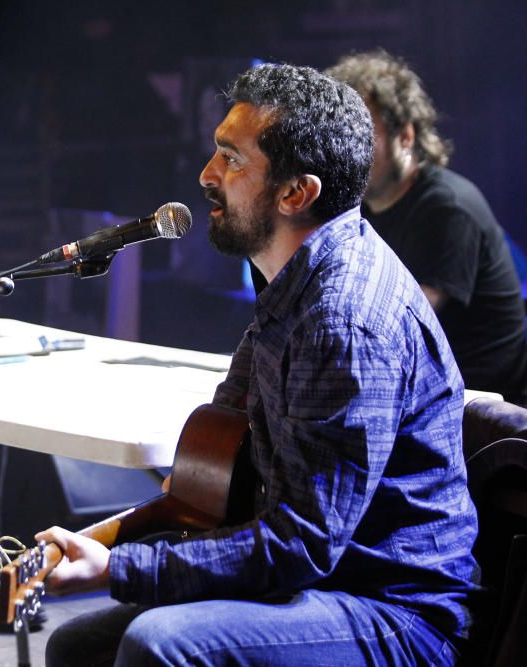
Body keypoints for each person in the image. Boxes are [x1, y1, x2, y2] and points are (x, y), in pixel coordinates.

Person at [40, 63, 479, 666]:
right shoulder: (291, 278)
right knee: (76, 647)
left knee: (157, 647)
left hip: (393, 609)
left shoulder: (341, 320)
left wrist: (120, 567)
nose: (205, 175)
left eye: (232, 159)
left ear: (296, 193)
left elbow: (304, 543)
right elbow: (219, 448)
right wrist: (97, 544)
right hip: (321, 580)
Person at [327, 49, 527, 406]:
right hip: (424, 394)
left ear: (405, 136)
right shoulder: (357, 209)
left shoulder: (447, 206)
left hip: (483, 411)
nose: (348, 148)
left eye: (363, 134)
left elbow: (399, 326)